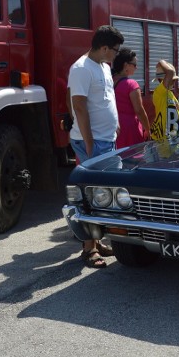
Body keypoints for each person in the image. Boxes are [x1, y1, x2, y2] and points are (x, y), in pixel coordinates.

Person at [68, 25, 124, 268]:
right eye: (115, 50)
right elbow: (78, 106)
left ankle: (96, 240)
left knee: (104, 194)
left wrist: (116, 124)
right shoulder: (81, 68)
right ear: (103, 48)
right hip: (94, 142)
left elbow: (106, 98)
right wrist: (90, 144)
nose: (116, 55)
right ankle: (88, 249)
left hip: (106, 138)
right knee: (94, 195)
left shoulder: (103, 66)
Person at [111, 48, 149, 149]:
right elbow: (139, 110)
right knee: (134, 160)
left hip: (113, 127)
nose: (136, 68)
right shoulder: (131, 84)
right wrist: (148, 129)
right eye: (134, 65)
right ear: (126, 65)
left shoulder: (109, 80)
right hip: (130, 130)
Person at [149, 59, 179, 140]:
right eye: (173, 80)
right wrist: (161, 62)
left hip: (172, 138)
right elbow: (170, 72)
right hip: (163, 139)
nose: (174, 82)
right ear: (163, 80)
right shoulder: (159, 92)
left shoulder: (170, 94)